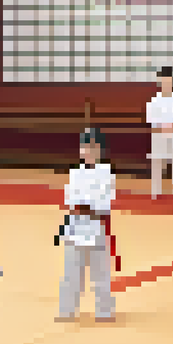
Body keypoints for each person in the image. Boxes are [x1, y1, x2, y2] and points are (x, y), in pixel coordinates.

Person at [56, 128, 120, 323]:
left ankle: (104, 311)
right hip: (76, 226)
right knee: (71, 272)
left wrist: (87, 206)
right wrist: (82, 206)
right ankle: (67, 310)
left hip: (96, 225)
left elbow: (105, 202)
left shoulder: (107, 173)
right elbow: (70, 200)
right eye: (85, 146)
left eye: (92, 147)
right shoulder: (75, 173)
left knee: (101, 273)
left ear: (100, 150)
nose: (88, 151)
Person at [145, 67, 173, 199]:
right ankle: (155, 191)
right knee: (157, 160)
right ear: (160, 83)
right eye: (164, 81)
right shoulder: (153, 101)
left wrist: (171, 128)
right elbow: (152, 122)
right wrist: (163, 129)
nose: (166, 85)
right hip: (158, 136)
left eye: (168, 81)